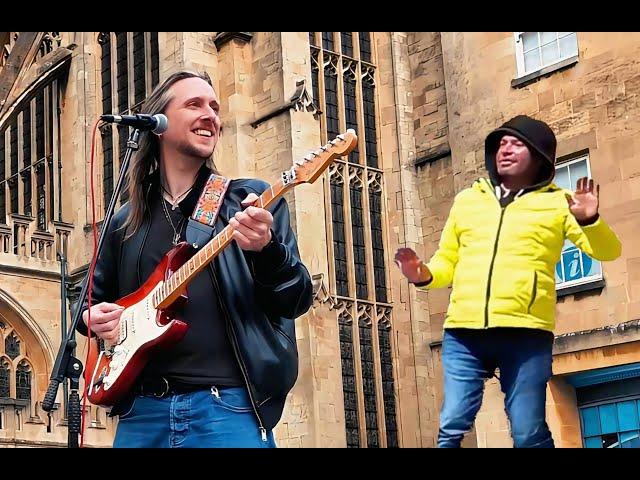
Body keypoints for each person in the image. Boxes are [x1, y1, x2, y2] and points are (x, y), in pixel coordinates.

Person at [77, 70, 313, 448]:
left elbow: (296, 298)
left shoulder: (247, 200)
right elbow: (89, 299)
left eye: (215, 107)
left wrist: (267, 251)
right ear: (158, 123)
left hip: (227, 408)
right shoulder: (123, 220)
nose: (211, 115)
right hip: (142, 414)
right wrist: (91, 317)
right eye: (194, 104)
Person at [394, 115, 621, 448]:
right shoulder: (467, 201)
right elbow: (447, 262)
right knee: (452, 425)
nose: (505, 149)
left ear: (539, 156)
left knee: (528, 430)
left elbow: (608, 251)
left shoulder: (557, 204)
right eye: (501, 143)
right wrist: (424, 274)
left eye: (516, 144)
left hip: (525, 331)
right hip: (464, 331)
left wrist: (590, 221)